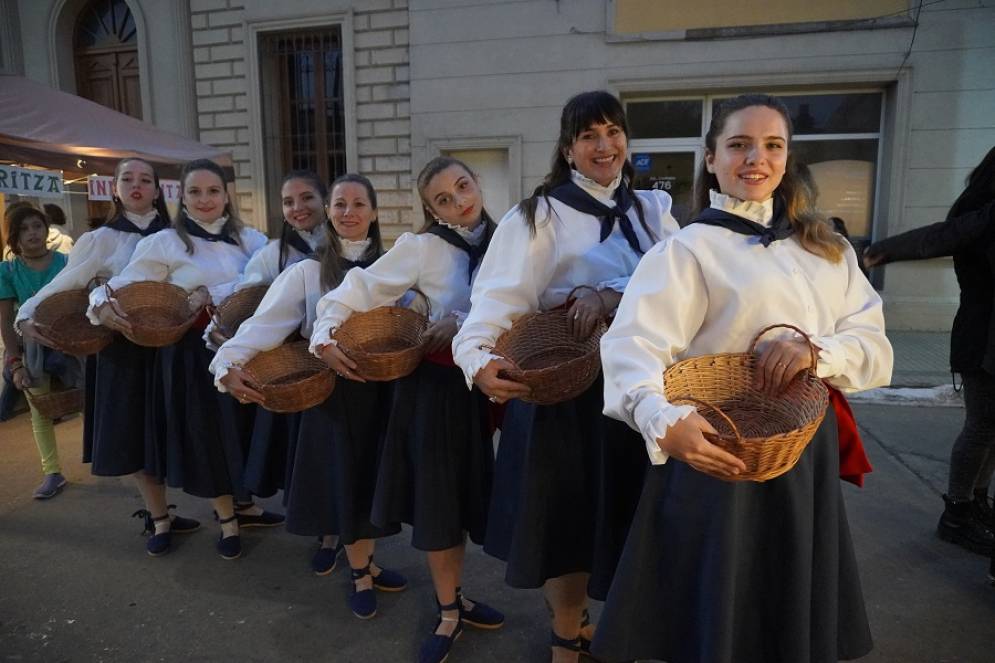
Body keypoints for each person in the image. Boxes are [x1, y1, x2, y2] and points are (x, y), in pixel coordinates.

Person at [592, 93, 893, 663]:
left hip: (801, 449)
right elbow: (633, 346)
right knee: (716, 613)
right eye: (739, 144)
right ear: (711, 160)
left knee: (786, 606)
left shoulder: (827, 249)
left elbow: (874, 347)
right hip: (716, 446)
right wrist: (660, 419)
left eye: (772, 145)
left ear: (787, 159)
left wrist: (815, 351)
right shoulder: (686, 250)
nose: (756, 158)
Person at [451, 90, 680, 663]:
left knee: (622, 517)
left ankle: (593, 625)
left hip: (639, 388)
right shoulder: (538, 215)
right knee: (567, 522)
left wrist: (609, 293)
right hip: (564, 387)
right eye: (588, 136)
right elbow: (494, 298)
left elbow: (682, 287)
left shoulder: (654, 211)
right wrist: (476, 357)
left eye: (613, 132)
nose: (604, 146)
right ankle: (564, 632)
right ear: (568, 149)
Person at [312, 157, 503, 662]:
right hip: (437, 393)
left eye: (464, 186)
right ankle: (448, 612)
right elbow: (355, 290)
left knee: (472, 503)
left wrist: (460, 319)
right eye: (443, 199)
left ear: (476, 182)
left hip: (492, 389)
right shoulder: (420, 249)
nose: (460, 201)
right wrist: (324, 334)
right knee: (442, 507)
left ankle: (458, 596)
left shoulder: (511, 240)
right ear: (430, 209)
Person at [212, 172, 407, 617]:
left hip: (386, 393)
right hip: (333, 395)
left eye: (358, 204)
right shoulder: (305, 272)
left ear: (374, 212)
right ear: (329, 213)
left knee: (375, 486)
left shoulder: (397, 267)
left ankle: (368, 563)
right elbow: (261, 327)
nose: (349, 212)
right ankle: (360, 573)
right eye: (340, 204)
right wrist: (225, 364)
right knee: (349, 485)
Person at [15, 159, 203, 549]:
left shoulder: (179, 235)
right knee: (131, 434)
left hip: (171, 348)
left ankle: (229, 512)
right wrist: (26, 314)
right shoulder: (99, 239)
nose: (136, 186)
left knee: (181, 430)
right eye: (127, 179)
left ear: (158, 190)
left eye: (145, 180)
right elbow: (67, 282)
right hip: (119, 352)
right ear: (114, 188)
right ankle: (160, 518)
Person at [89, 158, 267, 560]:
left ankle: (243, 507)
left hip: (243, 350)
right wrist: (101, 306)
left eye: (213, 191)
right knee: (208, 437)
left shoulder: (252, 239)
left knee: (240, 434)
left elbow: (270, 281)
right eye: (195, 192)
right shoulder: (164, 242)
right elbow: (115, 287)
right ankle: (226, 521)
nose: (205, 200)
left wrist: (215, 294)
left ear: (226, 196)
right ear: (181, 197)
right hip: (191, 355)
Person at [864, 146, 995, 556]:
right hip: (983, 340)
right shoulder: (987, 216)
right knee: (981, 426)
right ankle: (957, 512)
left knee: (990, 429)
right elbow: (940, 236)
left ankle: (974, 502)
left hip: (983, 336)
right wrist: (885, 249)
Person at [0, 205, 74, 498]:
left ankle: (115, 460)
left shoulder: (67, 262)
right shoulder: (7, 271)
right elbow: (5, 321)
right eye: (23, 229)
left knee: (91, 400)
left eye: (36, 226)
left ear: (47, 229)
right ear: (14, 237)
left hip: (73, 345)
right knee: (40, 410)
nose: (32, 233)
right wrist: (15, 362)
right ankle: (52, 472)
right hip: (33, 351)